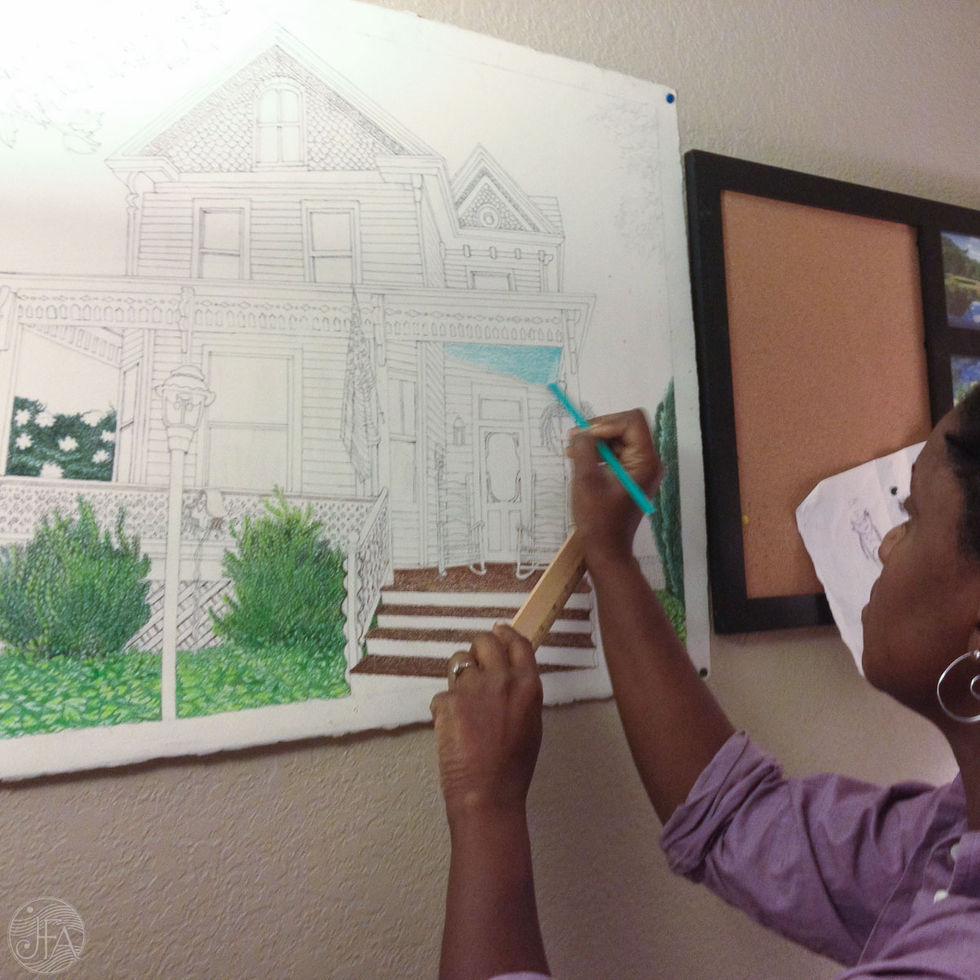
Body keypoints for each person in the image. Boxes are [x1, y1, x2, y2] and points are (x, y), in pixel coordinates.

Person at [430, 391, 980, 980]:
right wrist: (609, 554)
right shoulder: (952, 835)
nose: (887, 541)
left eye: (914, 517)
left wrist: (481, 804)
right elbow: (738, 823)